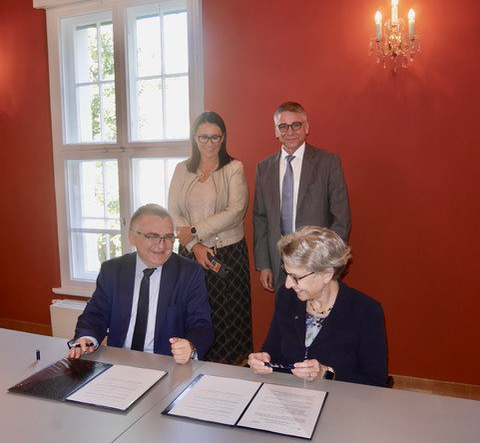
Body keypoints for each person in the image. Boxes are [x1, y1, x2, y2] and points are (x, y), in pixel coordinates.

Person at [67, 204, 214, 364]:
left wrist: (190, 346)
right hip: (118, 363)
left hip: (166, 365)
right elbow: (96, 314)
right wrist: (87, 338)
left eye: (168, 237)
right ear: (132, 237)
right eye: (152, 236)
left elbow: (202, 324)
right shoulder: (113, 270)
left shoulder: (189, 273)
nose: (162, 244)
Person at [248, 226, 387, 387]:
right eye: (287, 274)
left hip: (341, 402)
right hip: (290, 397)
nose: (287, 284)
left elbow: (375, 382)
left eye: (296, 277)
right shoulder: (287, 298)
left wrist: (326, 373)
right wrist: (264, 358)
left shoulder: (365, 312)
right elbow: (273, 348)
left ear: (326, 274)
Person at [168, 111, 252, 365]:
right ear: (195, 138)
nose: (209, 143)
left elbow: (236, 211)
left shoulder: (233, 168)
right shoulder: (181, 169)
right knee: (193, 314)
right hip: (189, 255)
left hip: (227, 255)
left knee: (228, 320)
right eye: (203, 137)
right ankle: (193, 365)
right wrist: (195, 246)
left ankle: (231, 372)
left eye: (215, 137)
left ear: (223, 138)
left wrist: (194, 232)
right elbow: (174, 211)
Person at [253, 101, 351, 292]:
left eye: (296, 125)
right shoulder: (264, 168)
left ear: (306, 127)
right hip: (280, 263)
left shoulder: (327, 163)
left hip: (318, 263)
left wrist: (330, 261)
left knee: (319, 316)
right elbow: (260, 218)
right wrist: (264, 263)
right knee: (287, 318)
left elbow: (341, 218)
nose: (290, 131)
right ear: (276, 131)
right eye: (283, 126)